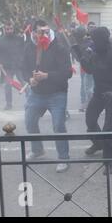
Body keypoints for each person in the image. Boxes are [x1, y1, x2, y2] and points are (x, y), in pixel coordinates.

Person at [73, 27, 112, 175]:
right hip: (99, 93)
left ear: (103, 40)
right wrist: (79, 55)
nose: (92, 42)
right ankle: (98, 144)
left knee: (108, 129)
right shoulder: (95, 53)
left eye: (95, 40)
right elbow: (90, 69)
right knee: (90, 120)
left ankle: (111, 161)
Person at [21, 19, 72, 173]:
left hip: (57, 93)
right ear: (33, 32)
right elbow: (23, 69)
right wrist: (29, 80)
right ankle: (37, 150)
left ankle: (63, 158)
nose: (41, 35)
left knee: (58, 125)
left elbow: (67, 73)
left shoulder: (60, 47)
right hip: (36, 94)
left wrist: (47, 76)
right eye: (38, 32)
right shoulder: (29, 47)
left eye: (44, 32)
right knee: (29, 121)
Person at [0, 23, 25, 110]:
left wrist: (22, 61)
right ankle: (9, 104)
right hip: (7, 67)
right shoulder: (1, 40)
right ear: (5, 29)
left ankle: (31, 101)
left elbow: (23, 51)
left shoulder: (19, 39)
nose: (9, 31)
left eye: (11, 29)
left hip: (18, 66)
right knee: (8, 86)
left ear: (13, 29)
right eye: (7, 29)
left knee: (25, 84)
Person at [72, 25, 94, 112]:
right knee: (84, 86)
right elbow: (77, 56)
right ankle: (84, 101)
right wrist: (75, 50)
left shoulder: (90, 42)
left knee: (88, 86)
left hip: (90, 67)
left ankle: (89, 102)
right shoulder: (78, 42)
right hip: (83, 67)